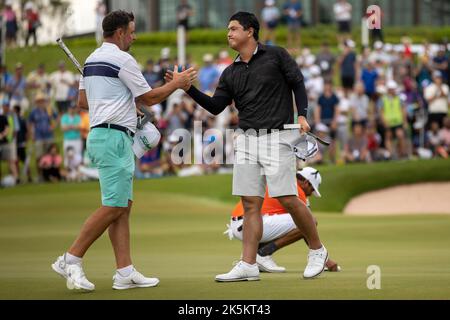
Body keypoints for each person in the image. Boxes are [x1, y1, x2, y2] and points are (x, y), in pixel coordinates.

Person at [167, 12, 327, 282]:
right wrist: (188, 89)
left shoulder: (276, 55)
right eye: (228, 29)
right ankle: (248, 264)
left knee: (288, 198)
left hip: (278, 136)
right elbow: (217, 106)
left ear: (250, 31)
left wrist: (303, 114)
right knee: (250, 203)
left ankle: (317, 250)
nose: (228, 33)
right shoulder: (230, 72)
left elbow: (297, 83)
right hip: (247, 138)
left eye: (233, 29)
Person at [51, 10, 196, 292]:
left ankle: (125, 272)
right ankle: (70, 258)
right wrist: (177, 84)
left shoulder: (93, 58)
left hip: (107, 136)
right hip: (113, 138)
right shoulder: (122, 58)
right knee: (114, 206)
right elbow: (150, 98)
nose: (134, 36)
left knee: (122, 207)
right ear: (119, 34)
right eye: (131, 31)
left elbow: (83, 101)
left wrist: (117, 101)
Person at [226, 167, 340, 273]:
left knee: (304, 222)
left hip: (242, 225)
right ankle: (263, 254)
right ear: (306, 183)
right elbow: (307, 227)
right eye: (312, 189)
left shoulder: (286, 181)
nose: (310, 193)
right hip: (248, 225)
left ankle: (254, 254)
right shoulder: (295, 189)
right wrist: (326, 261)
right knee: (310, 222)